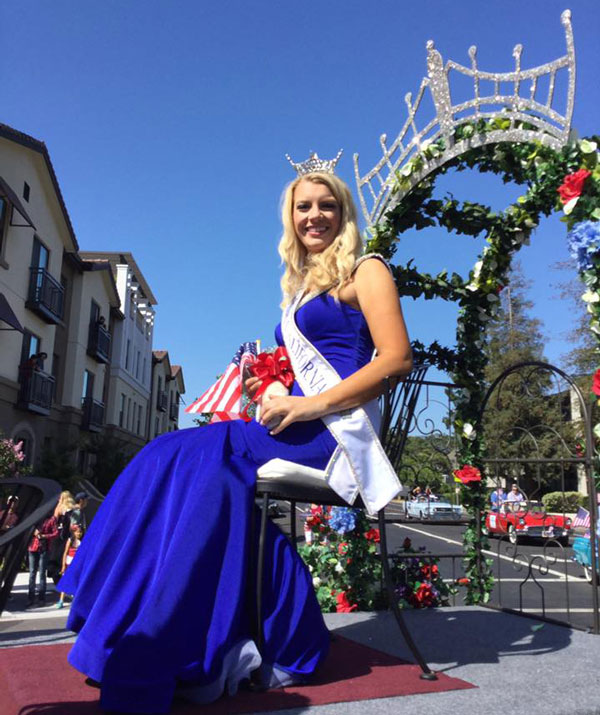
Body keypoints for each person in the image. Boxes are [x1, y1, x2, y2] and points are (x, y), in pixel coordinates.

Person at [58, 156, 413, 714]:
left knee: (191, 455)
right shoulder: (301, 287)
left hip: (333, 433)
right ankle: (141, 622)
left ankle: (162, 636)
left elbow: (395, 360)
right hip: (298, 419)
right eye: (303, 206)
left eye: (326, 205)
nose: (314, 215)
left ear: (344, 212)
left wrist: (308, 402)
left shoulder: (367, 270)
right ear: (290, 217)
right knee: (178, 456)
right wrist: (271, 391)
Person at [27, 514, 58, 607]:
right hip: (33, 547)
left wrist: (44, 536)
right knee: (32, 572)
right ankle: (30, 598)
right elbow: (26, 529)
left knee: (41, 573)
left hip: (44, 549)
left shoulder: (51, 520)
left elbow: (55, 533)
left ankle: (41, 598)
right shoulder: (33, 519)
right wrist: (33, 532)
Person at [57, 524, 84, 609]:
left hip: (77, 563)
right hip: (69, 562)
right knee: (66, 580)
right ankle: (61, 600)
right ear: (74, 532)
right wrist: (63, 565)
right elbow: (65, 552)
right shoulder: (70, 540)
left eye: (80, 532)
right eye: (77, 532)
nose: (78, 534)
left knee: (76, 581)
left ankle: (75, 599)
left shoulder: (82, 542)